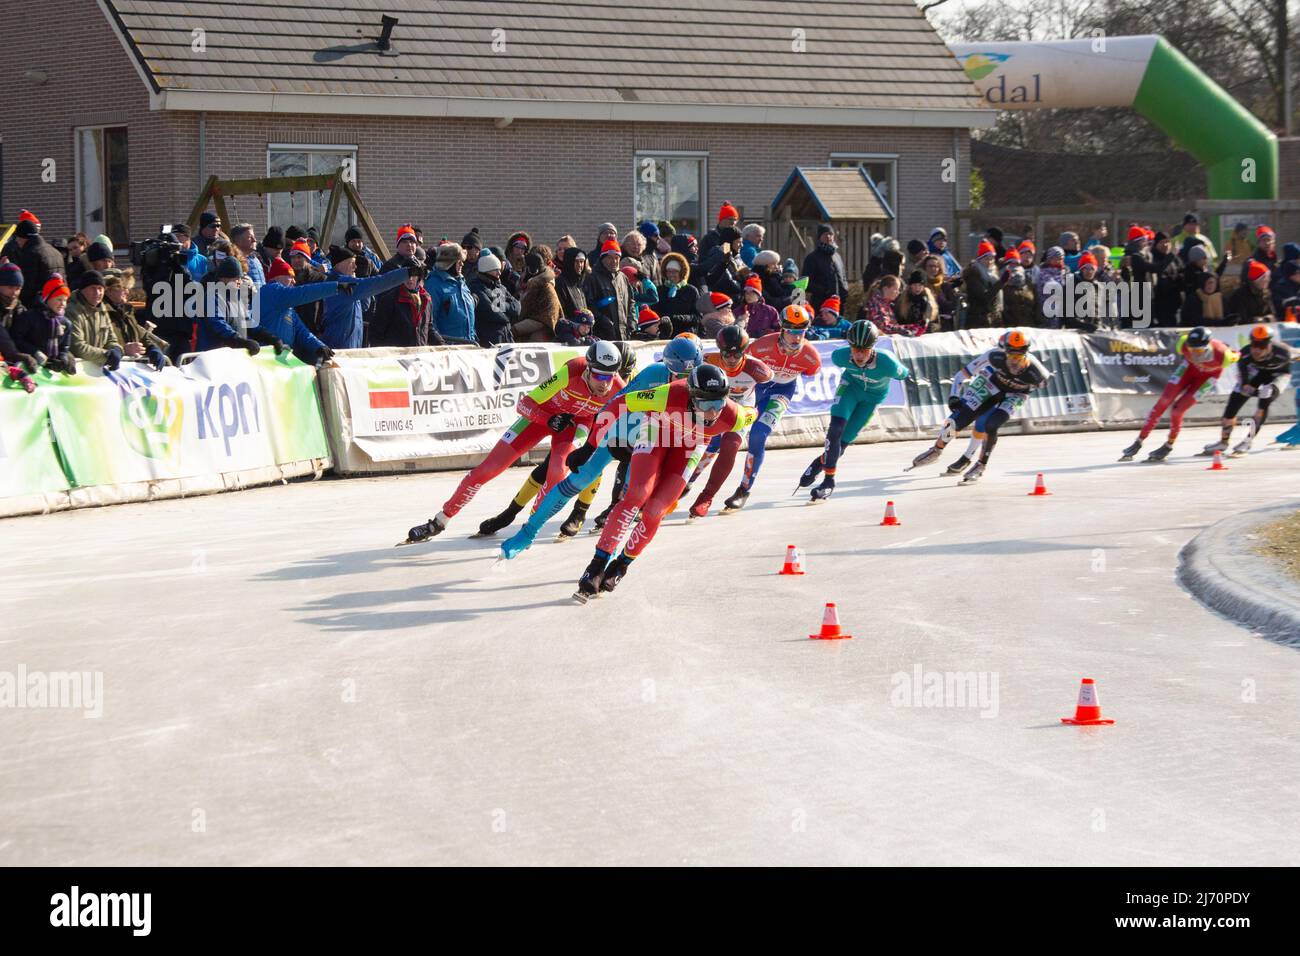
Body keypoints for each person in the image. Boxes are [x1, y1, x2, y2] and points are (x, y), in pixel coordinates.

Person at [401, 341, 626, 544]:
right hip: (541, 417)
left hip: (574, 426)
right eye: (600, 376)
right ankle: (440, 521)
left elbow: (627, 416)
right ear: (587, 368)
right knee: (485, 471)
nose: (605, 384)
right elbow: (524, 404)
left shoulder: (618, 387)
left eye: (610, 376)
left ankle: (529, 527)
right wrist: (548, 419)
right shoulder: (571, 371)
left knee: (557, 473)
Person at [494, 339, 703, 551]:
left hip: (651, 438)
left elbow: (699, 436)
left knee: (635, 497)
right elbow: (615, 405)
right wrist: (590, 446)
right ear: (667, 367)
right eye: (678, 375)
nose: (682, 383)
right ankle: (529, 532)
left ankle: (606, 559)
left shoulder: (705, 391)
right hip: (623, 431)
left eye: (689, 377)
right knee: (581, 478)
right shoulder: (653, 374)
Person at [572, 365, 757, 601]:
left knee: (656, 510)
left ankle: (621, 565)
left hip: (690, 446)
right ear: (691, 397)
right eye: (705, 405)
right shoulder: (667, 395)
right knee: (637, 494)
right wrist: (589, 446)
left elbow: (753, 411)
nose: (712, 413)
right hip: (656, 432)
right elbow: (619, 404)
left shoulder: (734, 415)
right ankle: (597, 565)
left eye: (718, 405)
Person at [909, 330, 1051, 483]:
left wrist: (1017, 393)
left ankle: (981, 465)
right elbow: (962, 375)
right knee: (959, 419)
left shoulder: (1039, 374)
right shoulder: (994, 356)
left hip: (1015, 394)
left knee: (992, 425)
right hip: (992, 384)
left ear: (1026, 354)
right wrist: (954, 396)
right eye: (1011, 356)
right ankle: (937, 449)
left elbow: (1038, 387)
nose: (1014, 361)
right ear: (1004, 351)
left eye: (1018, 356)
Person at [722, 304, 822, 512]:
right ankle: (691, 479)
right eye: (791, 332)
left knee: (758, 435)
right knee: (722, 432)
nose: (796, 338)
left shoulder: (811, 356)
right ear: (782, 330)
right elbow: (741, 365)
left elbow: (811, 372)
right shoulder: (760, 346)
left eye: (801, 332)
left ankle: (744, 489)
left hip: (782, 392)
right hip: (756, 388)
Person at [796, 319, 908, 500]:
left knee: (842, 443)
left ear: (872, 347)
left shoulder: (887, 362)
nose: (859, 354)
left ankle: (819, 462)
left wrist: (899, 371)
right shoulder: (840, 356)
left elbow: (904, 373)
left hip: (870, 400)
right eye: (855, 348)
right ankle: (828, 481)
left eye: (864, 349)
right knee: (835, 431)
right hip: (850, 389)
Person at [685, 326, 772, 518]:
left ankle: (706, 497)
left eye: (737, 354)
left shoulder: (759, 370)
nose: (732, 359)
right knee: (703, 445)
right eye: (727, 354)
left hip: (740, 410)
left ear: (744, 352)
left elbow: (769, 390)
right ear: (719, 351)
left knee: (730, 445)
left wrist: (756, 411)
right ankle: (685, 482)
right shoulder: (708, 361)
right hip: (716, 407)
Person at [1118, 327, 1238, 463]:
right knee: (1164, 401)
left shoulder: (1224, 356)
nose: (1195, 355)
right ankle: (1138, 441)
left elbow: (1238, 355)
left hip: (1206, 379)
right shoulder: (1183, 343)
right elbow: (1187, 346)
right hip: (1188, 370)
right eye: (1191, 350)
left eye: (1198, 351)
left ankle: (1169, 445)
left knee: (1177, 411)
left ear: (1208, 346)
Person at [1201, 324, 1291, 457]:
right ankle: (1223, 442)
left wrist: (1267, 391)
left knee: (1264, 402)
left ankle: (1247, 441)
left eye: (1262, 346)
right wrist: (1251, 389)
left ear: (1270, 344)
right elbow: (1245, 386)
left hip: (1278, 375)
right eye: (1254, 344)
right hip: (1258, 373)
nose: (1257, 350)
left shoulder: (1283, 352)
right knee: (1233, 402)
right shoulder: (1245, 354)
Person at [102, 269, 168, 369]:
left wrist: (152, 348)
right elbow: (97, 343)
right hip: (110, 371)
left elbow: (141, 335)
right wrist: (123, 350)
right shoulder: (100, 313)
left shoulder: (127, 311)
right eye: (123, 288)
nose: (127, 292)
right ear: (109, 290)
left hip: (130, 370)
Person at [370, 257, 443, 347]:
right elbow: (376, 332)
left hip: (417, 355)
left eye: (414, 275)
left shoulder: (426, 299)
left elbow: (428, 328)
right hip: (396, 356)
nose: (410, 279)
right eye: (407, 274)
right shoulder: (389, 299)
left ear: (419, 277)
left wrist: (443, 345)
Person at [11, 275, 76, 374]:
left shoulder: (66, 323)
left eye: (65, 300)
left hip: (49, 368)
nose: (63, 303)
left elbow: (64, 347)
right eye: (59, 299)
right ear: (47, 299)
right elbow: (16, 339)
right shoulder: (29, 317)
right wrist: (34, 352)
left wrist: (63, 358)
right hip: (29, 365)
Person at [65, 271, 124, 370]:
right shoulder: (72, 311)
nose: (97, 293)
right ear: (83, 290)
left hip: (96, 369)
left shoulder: (102, 308)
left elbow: (111, 339)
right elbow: (77, 347)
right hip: (77, 370)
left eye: (100, 289)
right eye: (93, 288)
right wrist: (106, 355)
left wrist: (116, 349)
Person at [424, 242, 477, 344]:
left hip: (468, 346)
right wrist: (440, 345)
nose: (462, 264)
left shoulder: (462, 283)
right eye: (459, 261)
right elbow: (430, 321)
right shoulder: (433, 284)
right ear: (449, 263)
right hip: (448, 349)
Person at [583, 239, 634, 340]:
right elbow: (589, 304)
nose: (614, 261)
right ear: (602, 258)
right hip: (602, 334)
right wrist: (603, 321)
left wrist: (631, 324)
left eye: (616, 258)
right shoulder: (592, 278)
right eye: (610, 258)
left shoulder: (623, 278)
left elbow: (631, 303)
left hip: (624, 334)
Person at [469, 250, 520, 346]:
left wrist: (502, 306)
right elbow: (491, 311)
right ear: (486, 270)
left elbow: (517, 306)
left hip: (506, 336)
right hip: (489, 338)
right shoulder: (476, 287)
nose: (499, 273)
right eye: (496, 270)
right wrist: (509, 316)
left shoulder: (499, 286)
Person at [11, 220, 66, 308]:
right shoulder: (55, 252)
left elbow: (27, 286)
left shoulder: (31, 253)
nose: (17, 241)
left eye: (18, 237)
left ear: (24, 237)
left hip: (38, 307)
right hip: (58, 303)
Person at [515, 251, 560, 342]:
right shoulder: (536, 282)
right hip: (538, 319)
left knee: (513, 330)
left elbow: (524, 307)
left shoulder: (539, 284)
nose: (522, 271)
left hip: (543, 320)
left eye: (525, 268)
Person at [801, 225, 848, 310]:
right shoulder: (812, 258)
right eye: (825, 234)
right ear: (819, 237)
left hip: (839, 304)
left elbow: (843, 277)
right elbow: (806, 282)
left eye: (830, 234)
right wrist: (825, 291)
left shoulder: (837, 256)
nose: (828, 237)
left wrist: (845, 290)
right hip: (821, 304)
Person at [961, 240, 1005, 329]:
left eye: (991, 258)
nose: (989, 262)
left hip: (992, 320)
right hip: (978, 322)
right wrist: (1001, 283)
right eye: (986, 259)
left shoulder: (994, 275)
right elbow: (984, 298)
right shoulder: (973, 275)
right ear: (980, 259)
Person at [654, 252, 699, 334]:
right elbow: (654, 313)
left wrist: (679, 318)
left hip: (686, 334)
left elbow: (697, 317)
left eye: (675, 271)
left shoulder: (691, 291)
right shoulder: (659, 290)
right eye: (668, 271)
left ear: (681, 272)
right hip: (665, 334)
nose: (671, 274)